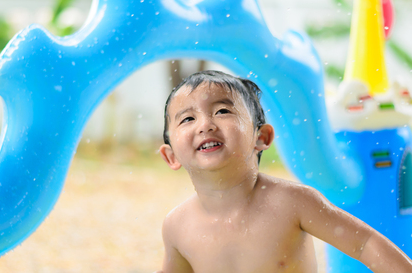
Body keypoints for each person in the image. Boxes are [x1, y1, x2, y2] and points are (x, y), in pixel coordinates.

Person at [157, 70, 412, 273]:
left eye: (222, 111)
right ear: (171, 156)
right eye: (187, 119)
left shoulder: (293, 203)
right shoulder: (178, 225)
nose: (205, 125)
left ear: (262, 137)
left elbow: (364, 243)